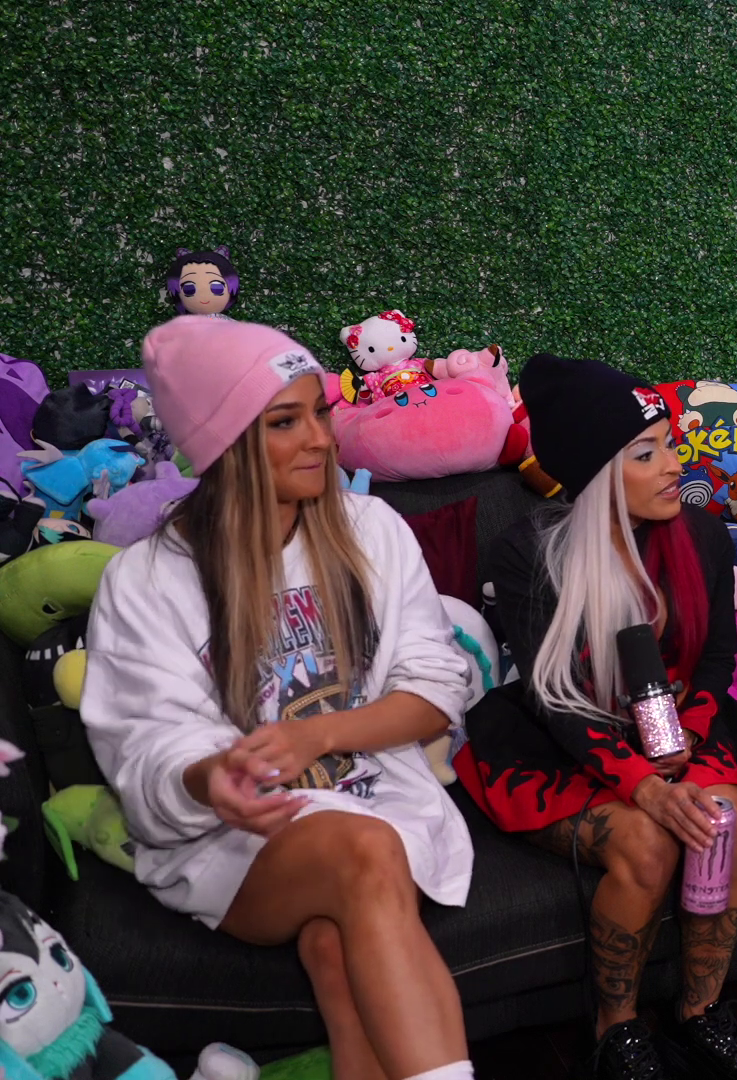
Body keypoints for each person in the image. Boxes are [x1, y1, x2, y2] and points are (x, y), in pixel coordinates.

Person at [82, 316, 478, 1080]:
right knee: (364, 853)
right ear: (224, 444)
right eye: (285, 422)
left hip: (380, 800)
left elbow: (437, 685)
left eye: (321, 412)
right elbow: (146, 748)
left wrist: (316, 736)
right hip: (232, 842)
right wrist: (214, 776)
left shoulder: (372, 530)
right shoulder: (146, 580)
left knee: (336, 946)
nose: (323, 439)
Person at [453, 354, 737, 1080]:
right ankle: (618, 1030)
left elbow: (715, 660)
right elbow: (555, 700)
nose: (674, 464)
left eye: (670, 444)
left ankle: (701, 1013)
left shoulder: (701, 534)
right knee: (646, 844)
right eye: (646, 453)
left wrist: (689, 738)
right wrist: (645, 787)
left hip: (680, 720)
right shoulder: (530, 553)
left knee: (721, 823)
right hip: (569, 733)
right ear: (599, 473)